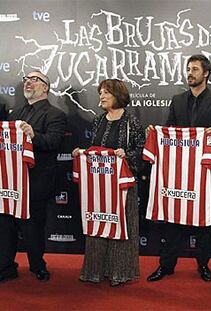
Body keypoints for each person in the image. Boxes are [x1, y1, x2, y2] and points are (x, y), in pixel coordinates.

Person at [146, 54, 211, 282]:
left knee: (203, 221)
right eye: (188, 69)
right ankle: (166, 266)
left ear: (206, 73)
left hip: (203, 172)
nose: (190, 73)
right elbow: (169, 129)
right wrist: (156, 134)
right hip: (176, 171)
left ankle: (203, 265)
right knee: (173, 220)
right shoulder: (177, 99)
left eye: (194, 69)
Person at [72, 79, 145, 287]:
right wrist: (80, 154)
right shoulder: (98, 120)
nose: (101, 97)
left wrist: (127, 154)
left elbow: (142, 152)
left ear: (118, 95)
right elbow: (94, 150)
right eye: (100, 93)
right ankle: (94, 271)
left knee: (122, 226)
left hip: (123, 185)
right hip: (99, 186)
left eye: (106, 93)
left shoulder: (132, 122)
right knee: (98, 222)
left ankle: (119, 272)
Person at [0, 70, 66, 282]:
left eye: (34, 79)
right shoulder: (14, 113)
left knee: (33, 227)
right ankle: (5, 267)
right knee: (5, 225)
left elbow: (53, 143)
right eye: (26, 79)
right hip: (10, 181)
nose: (28, 82)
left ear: (45, 87)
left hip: (36, 181)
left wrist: (33, 135)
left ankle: (37, 265)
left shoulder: (55, 114)